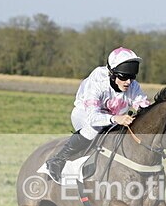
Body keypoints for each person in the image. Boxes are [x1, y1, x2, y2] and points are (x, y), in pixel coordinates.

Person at [45, 47, 150, 182]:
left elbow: (144, 107)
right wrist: (115, 118)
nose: (128, 82)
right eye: (124, 77)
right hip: (85, 114)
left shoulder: (133, 86)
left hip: (114, 118)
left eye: (132, 77)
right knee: (94, 129)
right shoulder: (97, 82)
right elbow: (93, 118)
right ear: (112, 74)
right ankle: (58, 160)